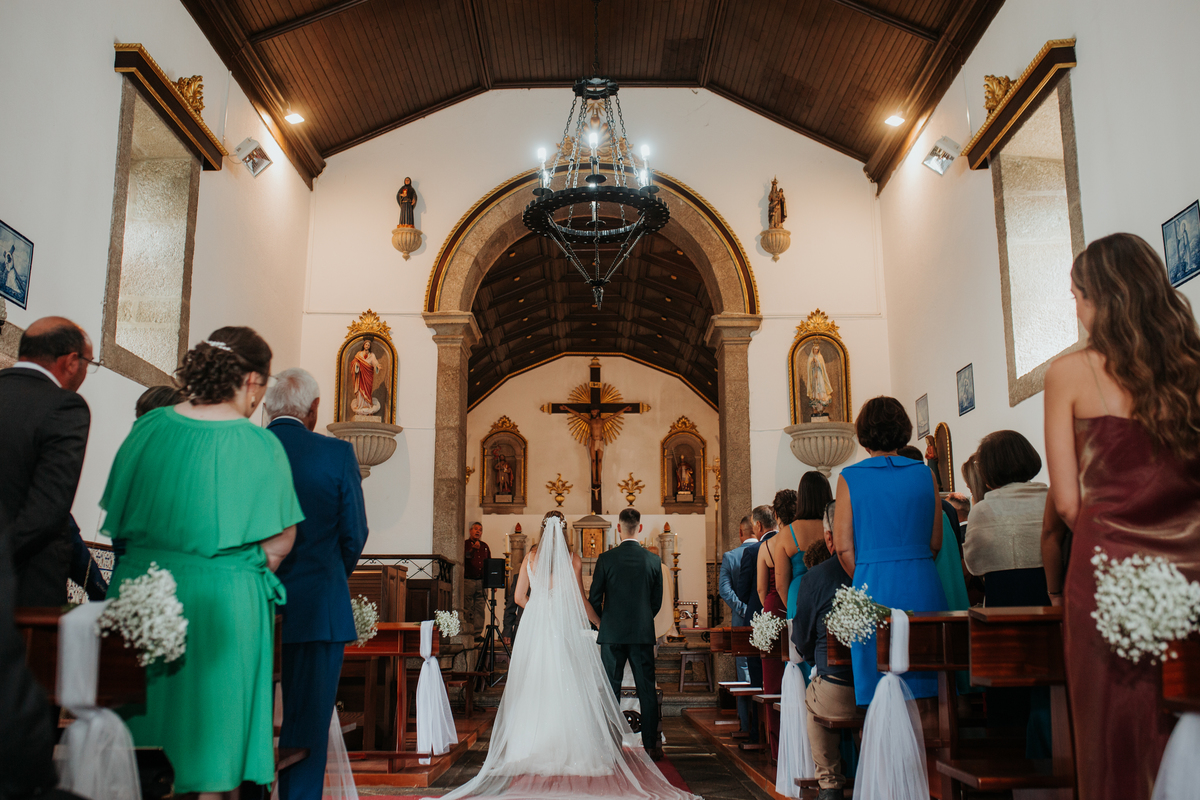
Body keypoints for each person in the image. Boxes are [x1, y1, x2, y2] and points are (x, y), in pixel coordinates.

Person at [100, 328, 303, 795]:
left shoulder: (150, 428)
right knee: (214, 734)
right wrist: (232, 569)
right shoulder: (259, 445)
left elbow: (121, 519)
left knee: (145, 728)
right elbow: (280, 541)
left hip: (144, 595)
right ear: (250, 380)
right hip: (226, 603)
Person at [1044, 233, 1200, 800]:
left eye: (1077, 297)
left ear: (1099, 298)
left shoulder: (1068, 373)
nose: (1077, 311)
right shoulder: (1192, 367)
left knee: (1113, 731)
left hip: (1108, 573)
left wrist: (1116, 542)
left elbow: (1067, 502)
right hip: (1190, 572)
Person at [434, 513, 696, 800]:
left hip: (536, 627)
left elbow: (519, 598)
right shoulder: (573, 559)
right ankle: (602, 745)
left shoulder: (530, 557)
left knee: (535, 682)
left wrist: (540, 608)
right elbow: (582, 600)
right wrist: (598, 622)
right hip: (569, 627)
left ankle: (530, 746)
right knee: (567, 680)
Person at [265, 368, 370, 800]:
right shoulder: (336, 454)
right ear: (314, 409)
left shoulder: (248, 448)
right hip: (318, 608)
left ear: (267, 406)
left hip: (253, 602)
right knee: (308, 723)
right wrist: (328, 577)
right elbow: (355, 533)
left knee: (244, 719)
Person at [833, 396, 947, 707]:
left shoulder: (850, 477)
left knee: (879, 690)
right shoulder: (925, 473)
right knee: (927, 688)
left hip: (873, 585)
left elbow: (843, 548)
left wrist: (868, 574)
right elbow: (935, 541)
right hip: (922, 581)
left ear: (863, 433)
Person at [0, 317, 93, 607]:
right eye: (89, 363)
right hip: (22, 585)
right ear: (72, 361)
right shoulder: (64, 406)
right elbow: (48, 509)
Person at [793, 501, 861, 800]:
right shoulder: (879, 567)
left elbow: (802, 637)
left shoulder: (816, 577)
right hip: (886, 686)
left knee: (813, 698)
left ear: (829, 537)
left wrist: (815, 662)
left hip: (839, 686)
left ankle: (830, 783)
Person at [589, 508, 664, 759]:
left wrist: (604, 624)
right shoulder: (653, 560)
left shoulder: (606, 559)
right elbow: (656, 602)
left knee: (611, 689)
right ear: (639, 528)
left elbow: (594, 598)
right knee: (646, 689)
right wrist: (642, 621)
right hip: (642, 634)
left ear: (618, 528)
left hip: (612, 635)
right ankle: (651, 746)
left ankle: (611, 746)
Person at [756, 489, 799, 758]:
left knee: (772, 682)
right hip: (798, 605)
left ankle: (777, 749)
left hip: (773, 610)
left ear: (776, 514)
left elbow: (762, 589)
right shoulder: (800, 538)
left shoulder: (768, 546)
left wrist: (772, 608)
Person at [718, 516, 758, 738]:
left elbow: (724, 590)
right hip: (767, 620)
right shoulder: (767, 550)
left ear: (740, 533)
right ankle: (764, 724)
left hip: (741, 623)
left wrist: (743, 610)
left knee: (743, 673)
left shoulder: (731, 556)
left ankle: (745, 724)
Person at [774, 473, 832, 619]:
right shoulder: (834, 527)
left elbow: (780, 585)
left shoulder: (787, 533)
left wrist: (792, 606)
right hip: (830, 591)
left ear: (802, 498)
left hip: (798, 594)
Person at [463, 522, 490, 636]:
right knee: (467, 607)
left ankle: (477, 633)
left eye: (480, 529)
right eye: (476, 529)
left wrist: (490, 582)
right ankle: (468, 632)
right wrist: (473, 550)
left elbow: (489, 564)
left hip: (482, 581)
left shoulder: (484, 546)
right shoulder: (465, 544)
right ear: (470, 531)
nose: (478, 531)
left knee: (480, 608)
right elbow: (465, 557)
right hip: (468, 580)